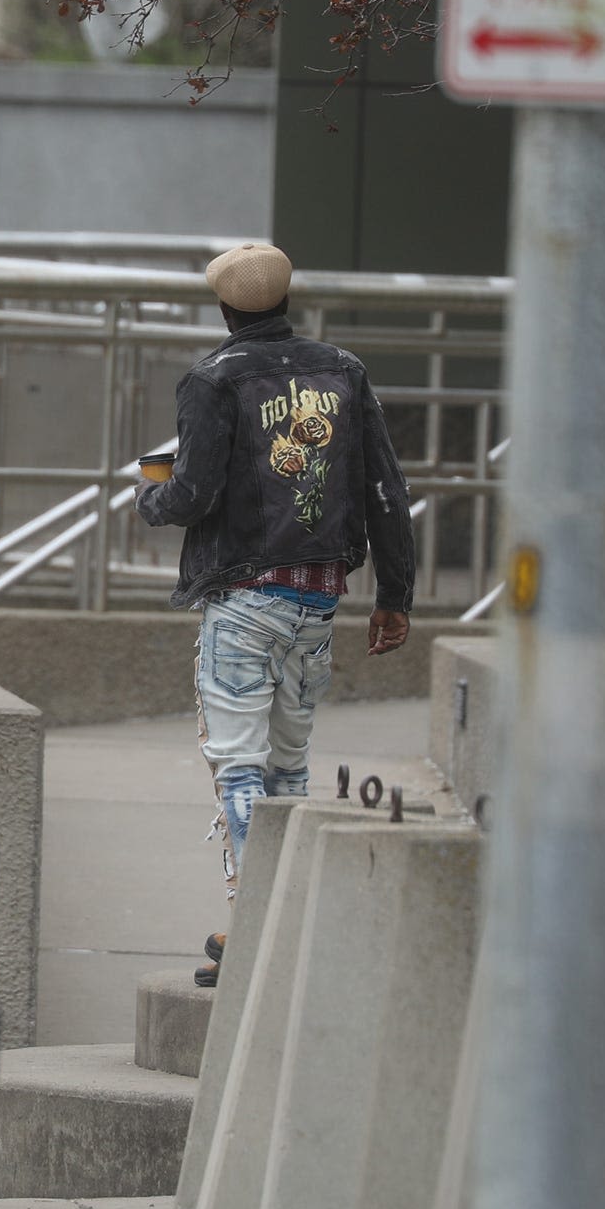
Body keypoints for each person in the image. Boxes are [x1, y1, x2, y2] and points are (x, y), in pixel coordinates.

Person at [131, 242, 415, 986]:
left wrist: (149, 498)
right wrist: (396, 593)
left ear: (225, 309)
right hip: (319, 597)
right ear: (287, 302)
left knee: (238, 764)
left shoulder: (212, 379)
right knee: (289, 765)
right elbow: (387, 487)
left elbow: (191, 494)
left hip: (244, 595)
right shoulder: (344, 373)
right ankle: (288, 919)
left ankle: (258, 926)